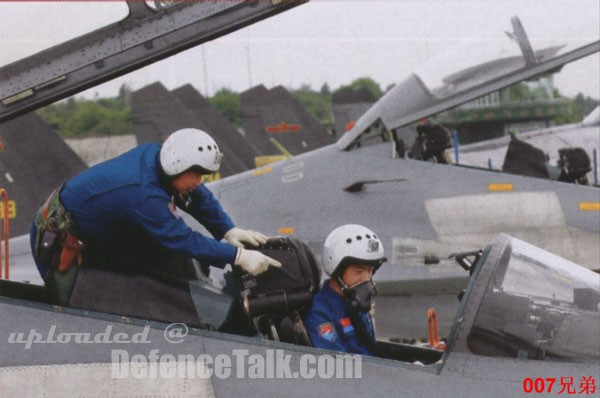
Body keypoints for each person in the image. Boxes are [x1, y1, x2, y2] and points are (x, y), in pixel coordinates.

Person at [30, 128, 281, 302]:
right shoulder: (141, 192)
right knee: (83, 306)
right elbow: (182, 239)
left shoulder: (159, 159)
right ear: (177, 167)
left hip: (92, 227)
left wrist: (228, 230)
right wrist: (237, 256)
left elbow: (197, 195)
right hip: (57, 239)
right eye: (196, 175)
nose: (199, 181)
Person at [303, 224, 386, 355]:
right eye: (359, 271)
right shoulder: (320, 314)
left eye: (370, 271)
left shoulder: (356, 303)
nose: (366, 279)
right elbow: (339, 367)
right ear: (338, 272)